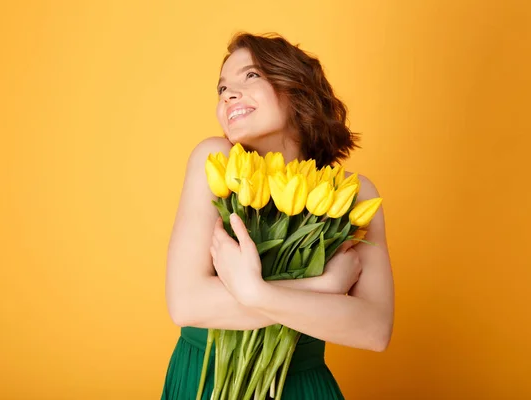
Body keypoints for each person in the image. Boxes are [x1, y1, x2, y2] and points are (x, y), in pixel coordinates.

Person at [161, 32, 394, 399]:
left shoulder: (352, 193)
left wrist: (253, 291)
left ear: (296, 87)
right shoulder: (216, 162)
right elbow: (186, 304)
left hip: (299, 387)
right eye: (222, 88)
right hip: (203, 381)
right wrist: (322, 288)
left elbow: (374, 330)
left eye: (250, 76)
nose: (229, 94)